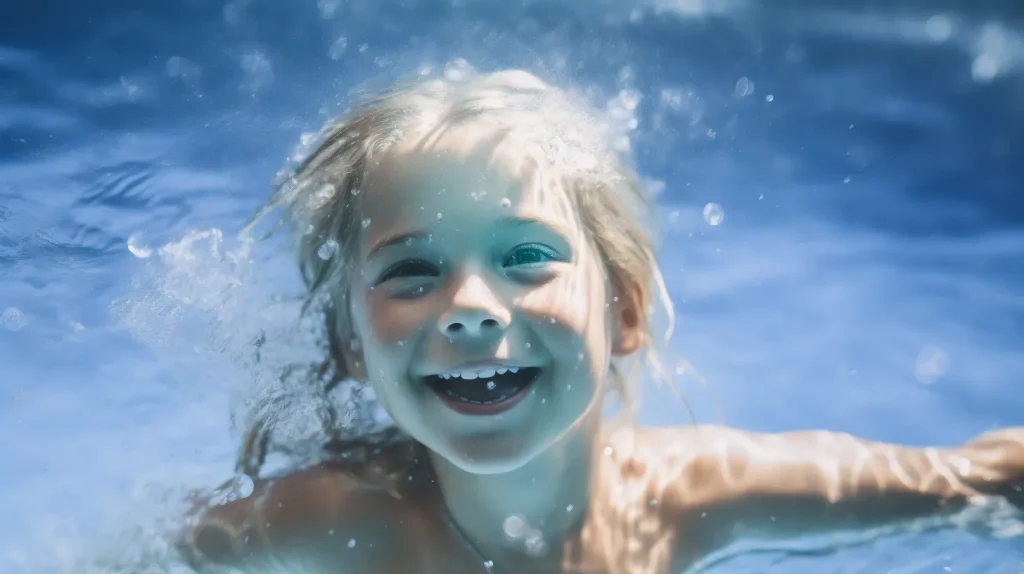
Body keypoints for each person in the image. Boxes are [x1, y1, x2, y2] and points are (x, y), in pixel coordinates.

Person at [179, 69, 1024, 574]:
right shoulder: (330, 525)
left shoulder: (694, 500)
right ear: (352, 348)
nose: (471, 308)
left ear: (624, 309)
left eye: (527, 258)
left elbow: (977, 479)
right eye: (412, 271)